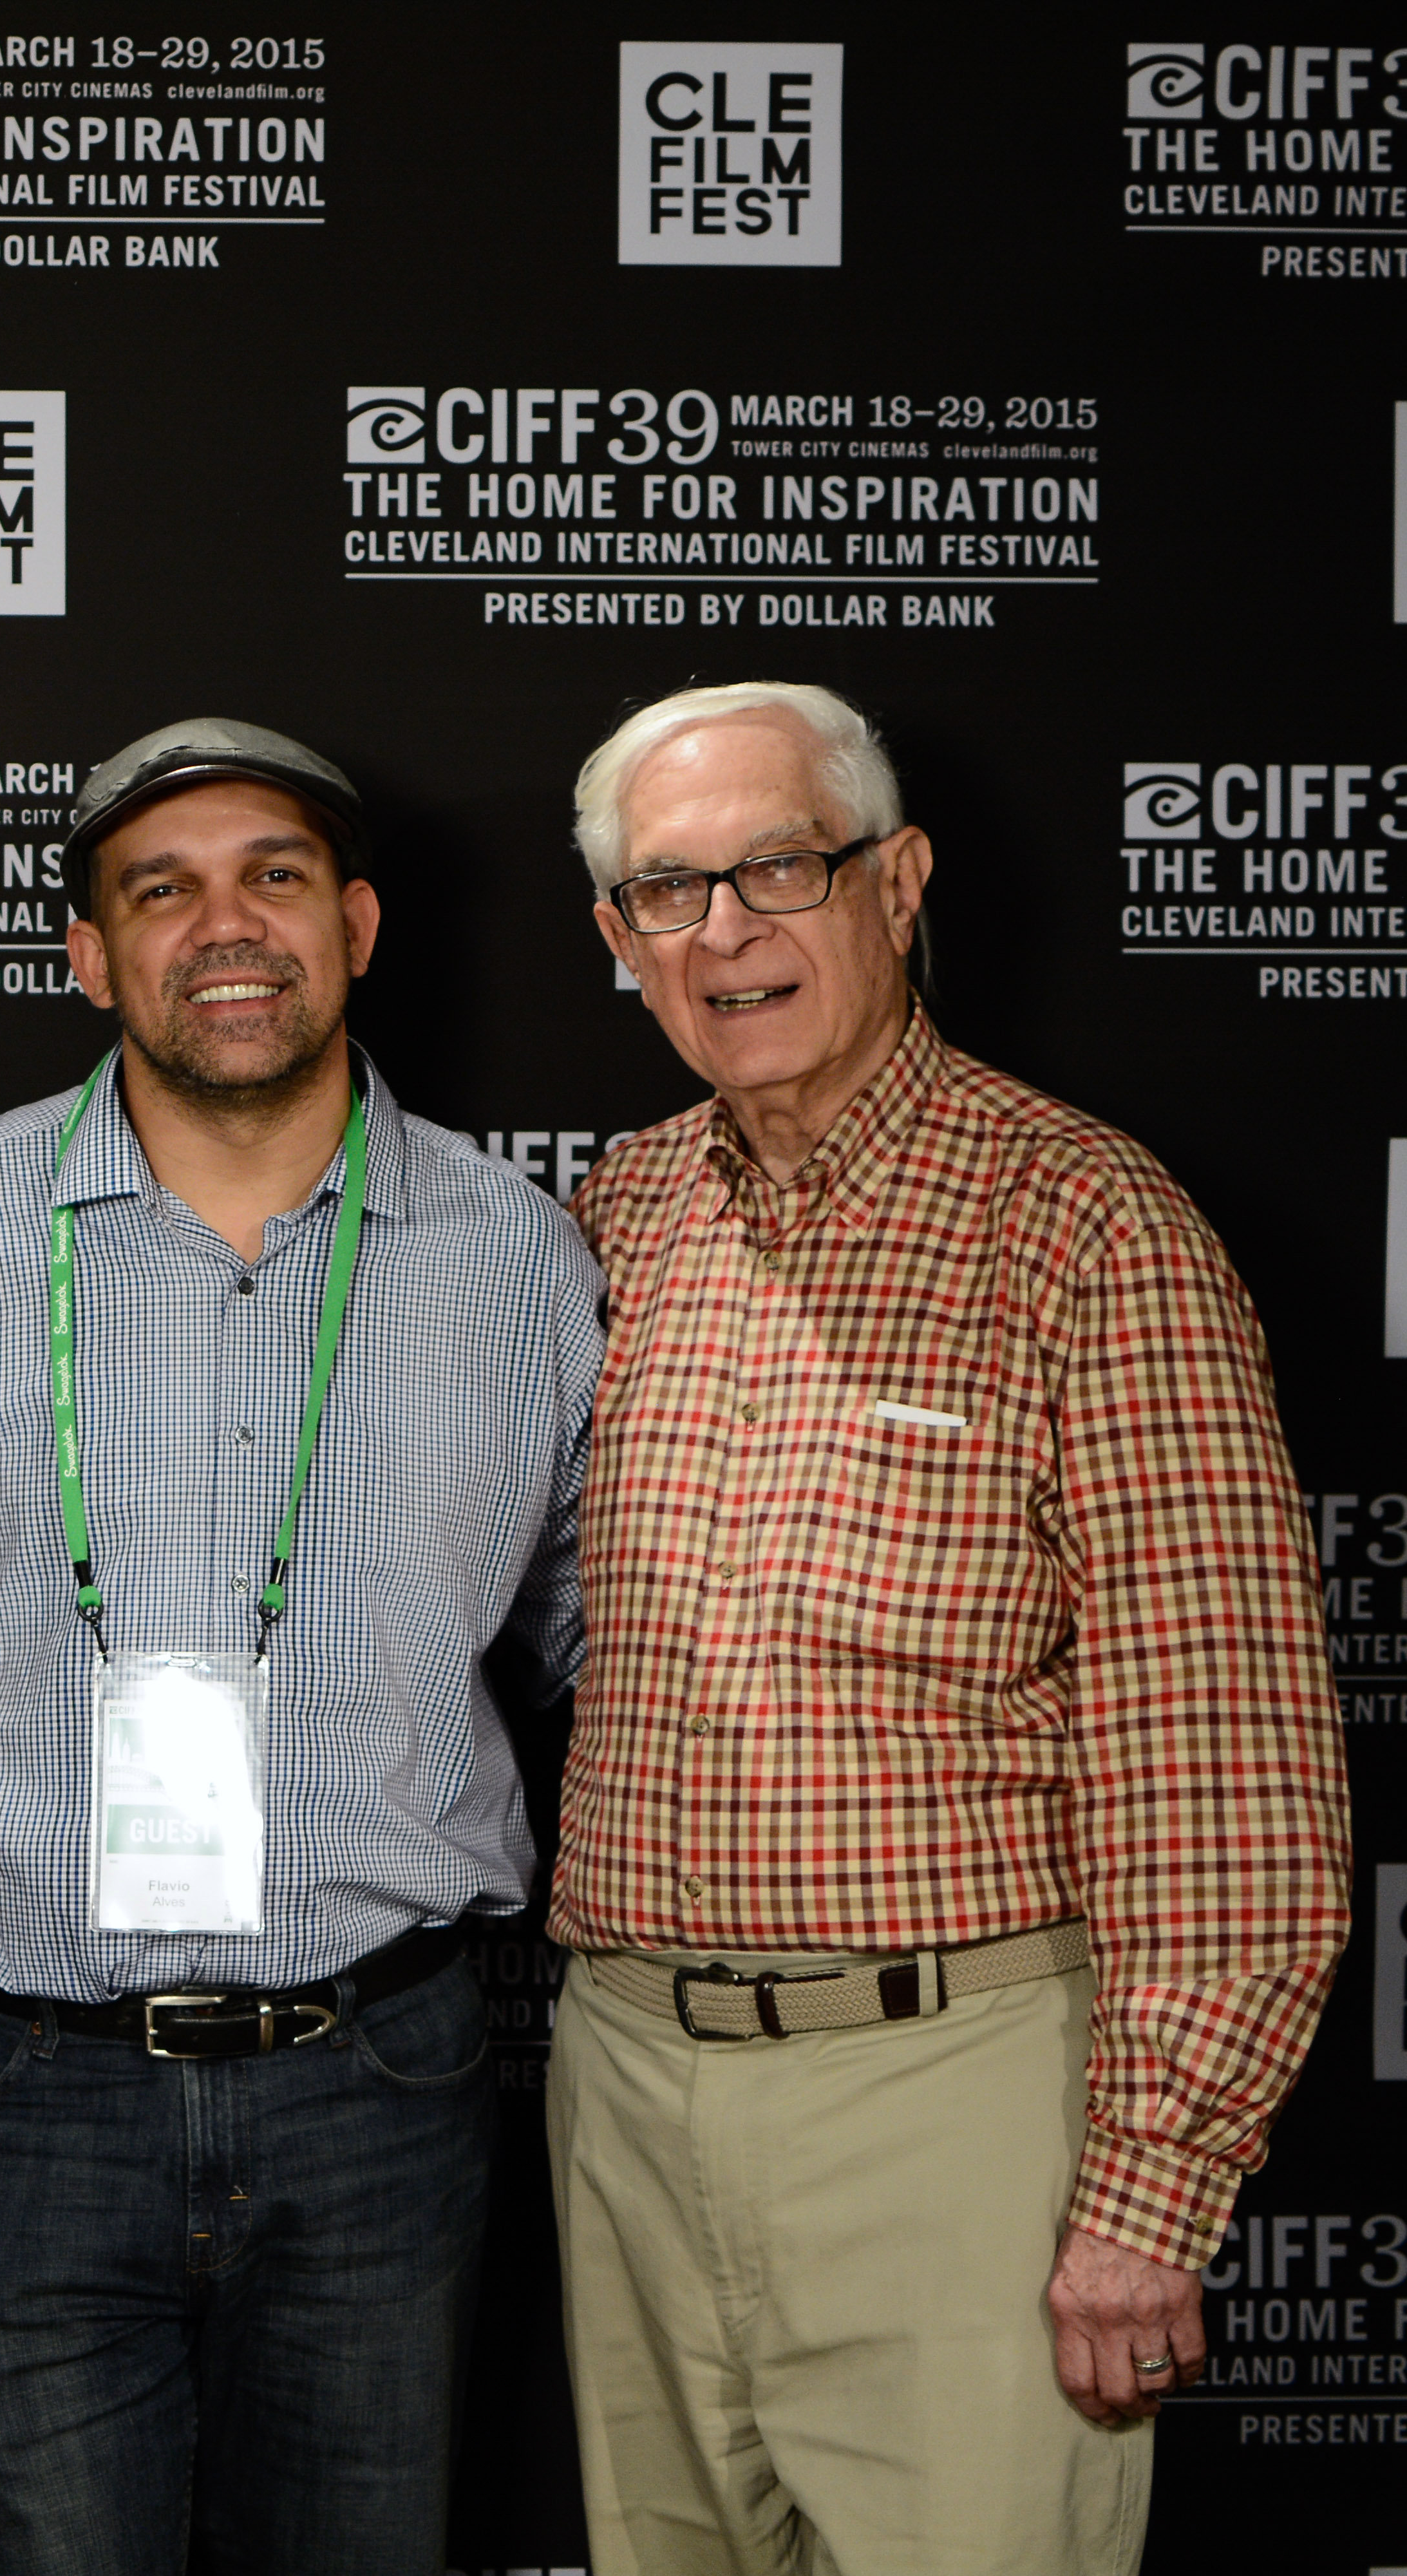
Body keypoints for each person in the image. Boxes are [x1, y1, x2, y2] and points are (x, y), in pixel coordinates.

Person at [547, 679, 1352, 2575]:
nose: (727, 931)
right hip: (627, 2096)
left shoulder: (1087, 1226)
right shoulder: (619, 1218)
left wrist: (1154, 2189)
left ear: (895, 885)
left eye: (780, 869)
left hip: (951, 2104)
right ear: (617, 941)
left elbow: (1221, 1757)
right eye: (671, 892)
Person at [0, 719, 602, 2575]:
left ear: (355, 924)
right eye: (160, 889)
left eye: (275, 875)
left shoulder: (519, 1253)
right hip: (21, 2088)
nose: (228, 926)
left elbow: (611, 1637)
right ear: (88, 957)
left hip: (381, 2080)